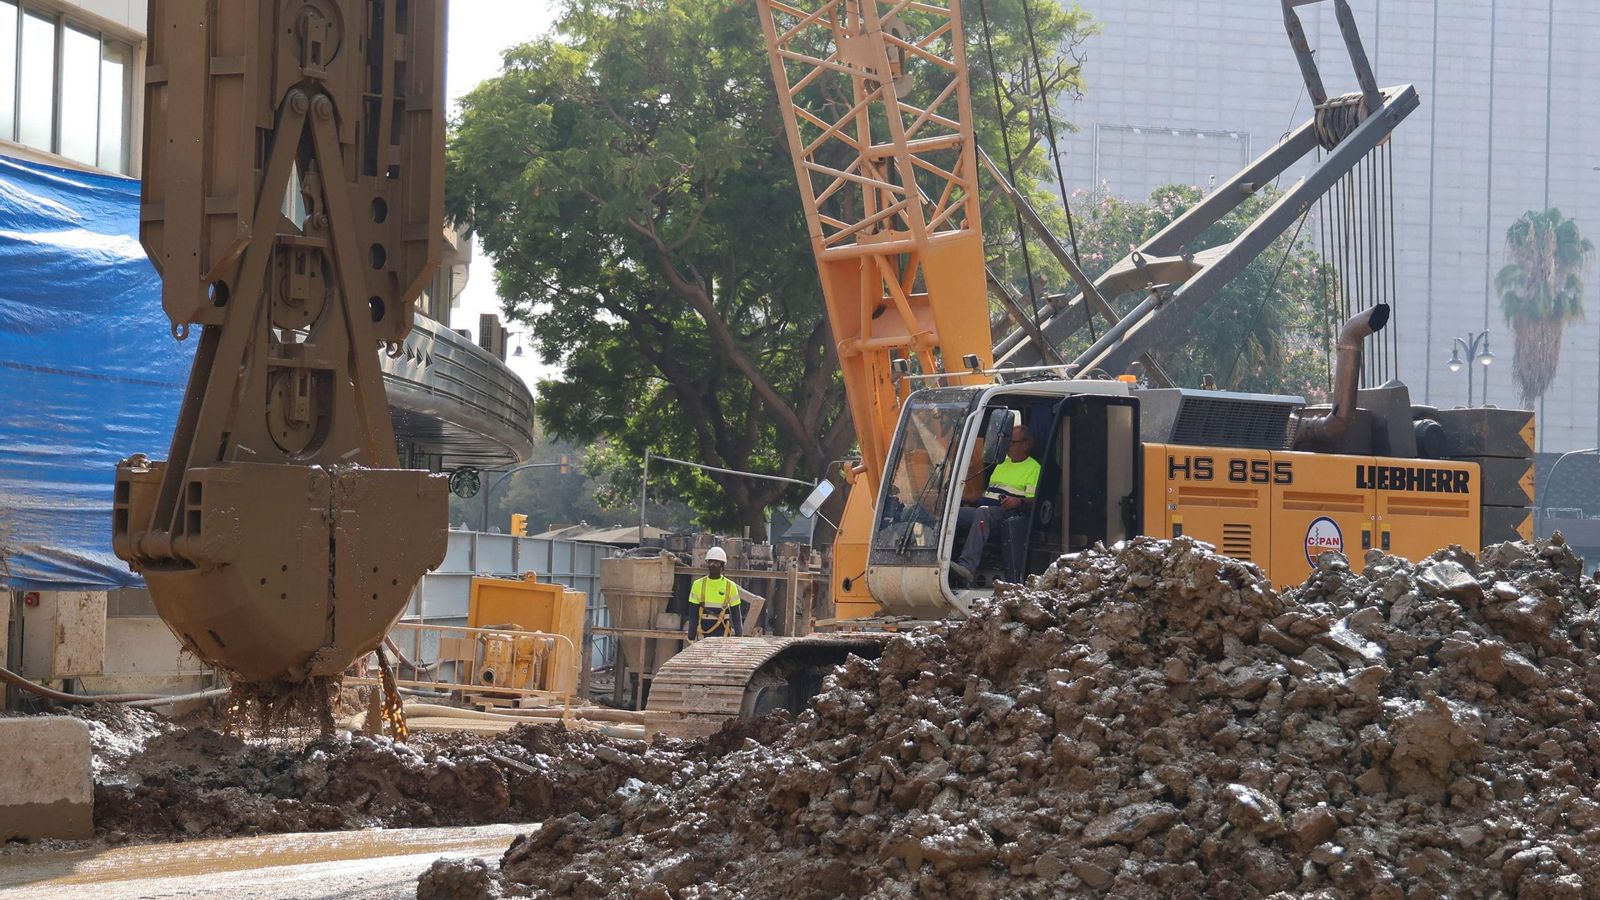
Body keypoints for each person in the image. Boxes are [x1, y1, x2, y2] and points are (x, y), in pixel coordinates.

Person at [950, 424, 1040, 585]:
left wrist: (1017, 501)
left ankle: (967, 568)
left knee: (983, 513)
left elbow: (1034, 502)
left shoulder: (1033, 468)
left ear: (1025, 445)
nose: (1007, 447)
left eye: (1011, 443)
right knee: (953, 514)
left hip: (1008, 515)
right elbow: (990, 492)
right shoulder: (1002, 464)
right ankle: (946, 563)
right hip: (986, 511)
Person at [686, 546, 745, 640]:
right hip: (703, 636)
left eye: (716, 563)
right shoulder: (698, 585)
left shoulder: (730, 586)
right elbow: (693, 615)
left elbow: (736, 615)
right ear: (707, 563)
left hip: (723, 636)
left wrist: (739, 637)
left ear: (722, 565)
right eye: (711, 562)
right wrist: (691, 636)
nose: (713, 565)